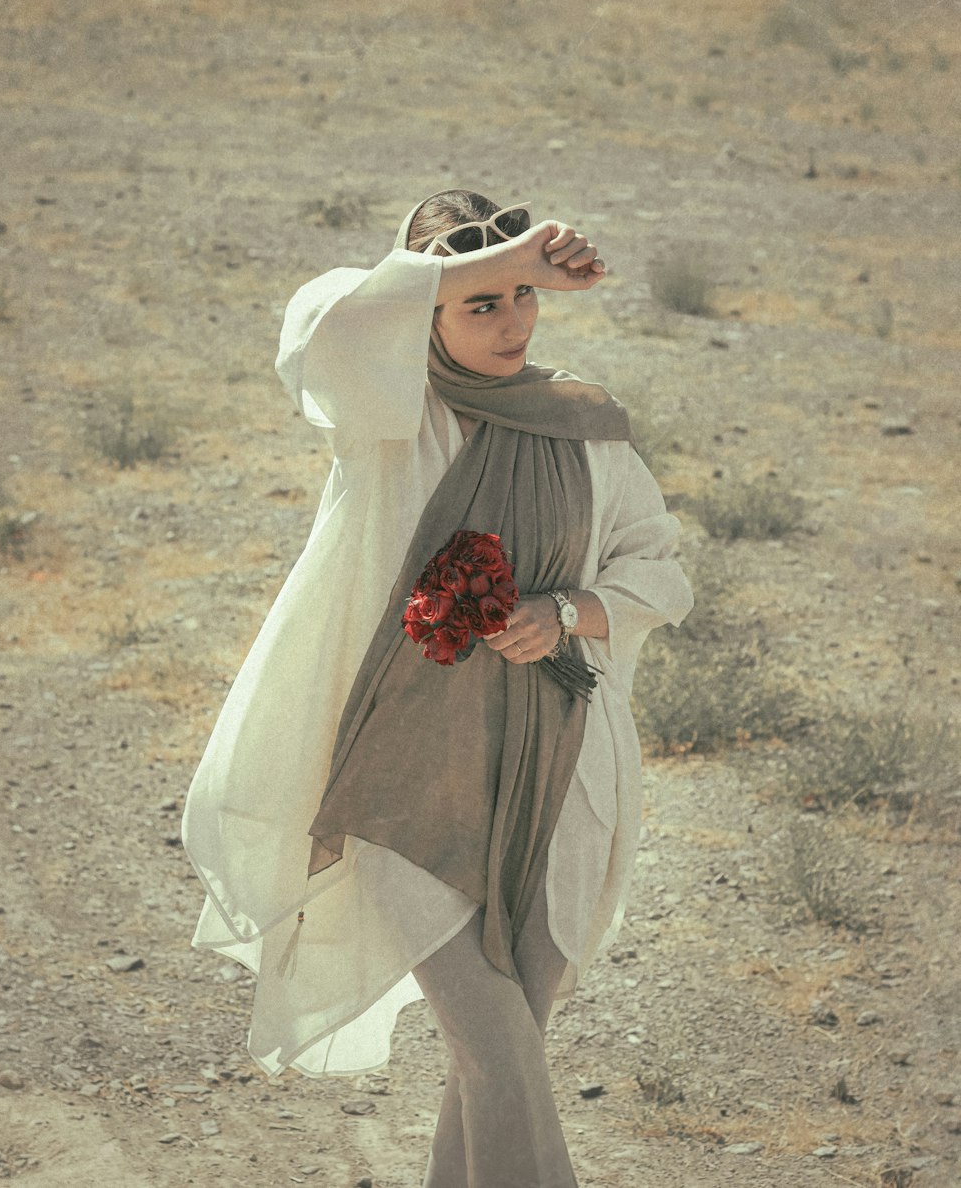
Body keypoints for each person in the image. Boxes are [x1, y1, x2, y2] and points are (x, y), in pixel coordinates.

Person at [181, 190, 694, 1188]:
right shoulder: (387, 415)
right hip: (410, 779)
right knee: (500, 1055)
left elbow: (660, 571)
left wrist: (569, 609)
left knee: (493, 1065)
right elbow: (328, 315)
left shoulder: (583, 427)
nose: (513, 321)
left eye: (523, 300)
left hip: (562, 769)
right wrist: (512, 256)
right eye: (481, 302)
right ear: (425, 309)